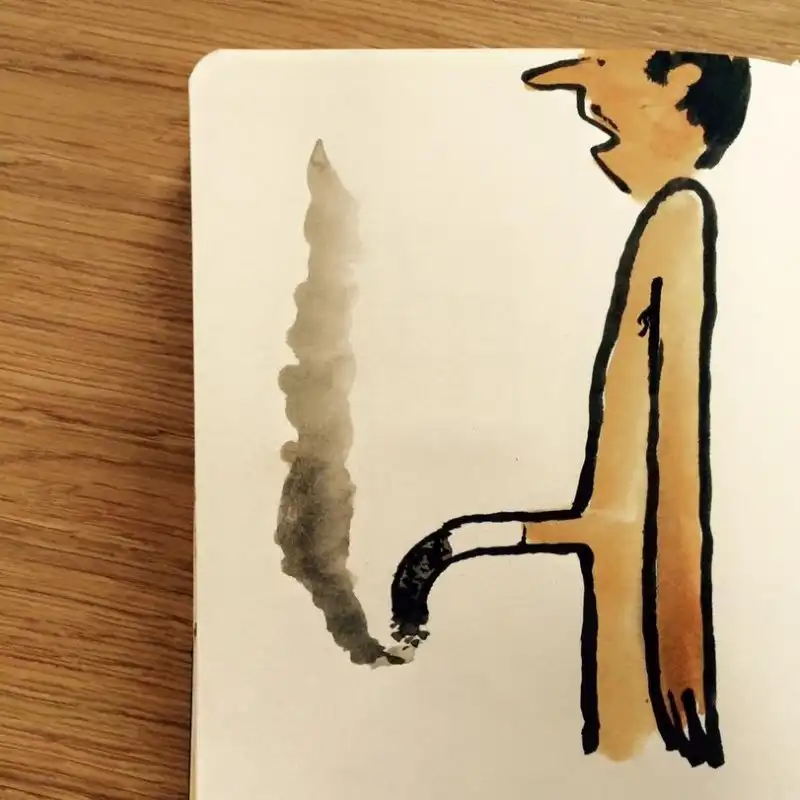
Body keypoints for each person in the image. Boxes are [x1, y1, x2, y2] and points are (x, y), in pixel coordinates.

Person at [388, 50, 751, 768]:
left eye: (606, 69)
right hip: (625, 611)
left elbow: (678, 463)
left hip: (647, 647)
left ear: (682, 85)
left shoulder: (681, 213)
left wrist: (684, 673)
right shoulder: (669, 217)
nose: (585, 97)